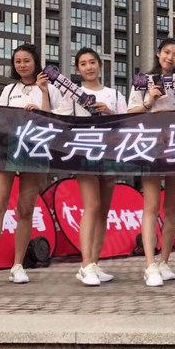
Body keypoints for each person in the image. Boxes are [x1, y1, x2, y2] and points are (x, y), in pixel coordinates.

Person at [0, 44, 62, 289]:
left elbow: (55, 122)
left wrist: (42, 96)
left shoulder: (51, 89)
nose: (22, 65)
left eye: (27, 60)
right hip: (7, 151)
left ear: (36, 62)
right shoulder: (9, 90)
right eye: (18, 61)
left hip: (35, 153)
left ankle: (18, 265)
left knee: (25, 209)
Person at [127, 37, 175, 287]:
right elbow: (130, 112)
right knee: (151, 205)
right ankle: (150, 264)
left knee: (171, 207)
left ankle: (164, 261)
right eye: (166, 52)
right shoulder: (143, 81)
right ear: (158, 53)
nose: (170, 58)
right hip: (150, 146)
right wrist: (149, 102)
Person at [72, 48, 127, 286]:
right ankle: (85, 265)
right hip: (84, 153)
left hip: (110, 154)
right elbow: (60, 119)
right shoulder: (73, 94)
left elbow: (127, 124)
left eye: (92, 62)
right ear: (78, 69)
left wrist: (109, 112)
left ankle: (94, 262)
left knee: (104, 210)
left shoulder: (114, 94)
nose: (89, 67)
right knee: (92, 206)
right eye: (83, 64)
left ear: (100, 65)